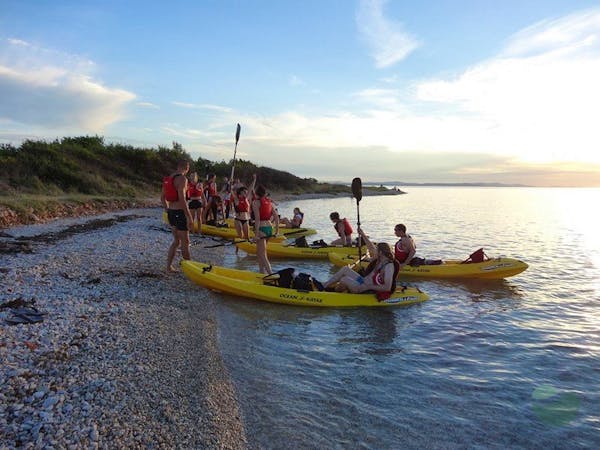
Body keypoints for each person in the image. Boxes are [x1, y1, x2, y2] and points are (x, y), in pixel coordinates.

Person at [323, 228, 399, 300]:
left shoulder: (389, 266)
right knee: (345, 269)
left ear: (381, 252)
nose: (374, 251)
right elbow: (371, 247)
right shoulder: (379, 260)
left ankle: (332, 293)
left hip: (364, 288)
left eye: (377, 250)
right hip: (362, 281)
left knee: (344, 279)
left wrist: (369, 287)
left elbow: (387, 287)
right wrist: (362, 234)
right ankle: (324, 286)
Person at [161, 160, 193, 273]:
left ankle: (168, 267)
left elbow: (162, 198)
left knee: (176, 241)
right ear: (187, 168)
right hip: (179, 212)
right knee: (185, 241)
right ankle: (191, 269)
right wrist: (189, 216)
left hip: (171, 212)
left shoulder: (168, 179)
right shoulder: (182, 179)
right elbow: (182, 199)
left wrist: (167, 210)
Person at [252, 184, 279, 274]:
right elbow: (276, 217)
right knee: (260, 252)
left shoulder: (256, 202)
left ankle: (271, 274)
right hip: (269, 228)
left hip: (262, 228)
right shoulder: (270, 202)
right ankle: (261, 272)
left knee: (263, 255)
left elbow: (257, 219)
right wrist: (277, 231)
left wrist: (256, 235)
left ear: (256, 193)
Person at [232, 174, 257, 241]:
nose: (246, 193)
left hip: (246, 220)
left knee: (247, 238)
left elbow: (251, 188)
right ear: (240, 193)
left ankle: (244, 249)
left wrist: (254, 180)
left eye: (246, 192)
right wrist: (230, 184)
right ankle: (237, 250)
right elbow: (231, 192)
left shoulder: (246, 199)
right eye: (244, 192)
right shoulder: (236, 199)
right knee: (240, 236)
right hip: (238, 219)